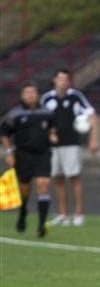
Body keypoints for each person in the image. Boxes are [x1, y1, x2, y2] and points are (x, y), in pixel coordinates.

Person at [41, 69, 98, 227]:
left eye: (66, 79)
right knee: (58, 178)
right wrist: (49, 134)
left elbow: (92, 114)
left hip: (71, 143)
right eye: (60, 79)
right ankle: (63, 214)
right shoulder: (47, 98)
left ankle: (79, 214)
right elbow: (42, 120)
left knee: (74, 177)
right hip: (53, 147)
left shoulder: (75, 96)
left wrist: (93, 139)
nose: (63, 82)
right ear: (54, 80)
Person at [1, 81, 56, 237]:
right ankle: (23, 211)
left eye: (33, 92)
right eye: (28, 92)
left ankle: (41, 225)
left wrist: (53, 134)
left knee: (42, 184)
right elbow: (4, 133)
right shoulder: (15, 113)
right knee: (25, 189)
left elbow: (52, 126)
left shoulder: (47, 112)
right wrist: (9, 153)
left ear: (37, 94)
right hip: (23, 155)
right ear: (22, 95)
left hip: (43, 154)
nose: (31, 95)